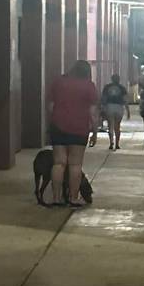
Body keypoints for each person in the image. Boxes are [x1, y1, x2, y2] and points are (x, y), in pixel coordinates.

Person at [47, 60, 99, 209]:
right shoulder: (89, 86)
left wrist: (56, 120)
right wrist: (94, 132)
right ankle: (73, 198)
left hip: (58, 126)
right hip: (79, 128)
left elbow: (50, 106)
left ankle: (56, 198)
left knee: (59, 163)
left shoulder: (59, 82)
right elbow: (93, 113)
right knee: (75, 164)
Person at [101, 73, 130, 151]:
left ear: (112, 79)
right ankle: (117, 144)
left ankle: (111, 143)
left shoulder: (107, 87)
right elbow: (125, 100)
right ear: (119, 80)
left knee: (110, 125)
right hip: (119, 107)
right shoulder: (122, 88)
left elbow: (103, 99)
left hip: (109, 106)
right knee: (117, 126)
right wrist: (128, 111)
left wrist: (102, 107)